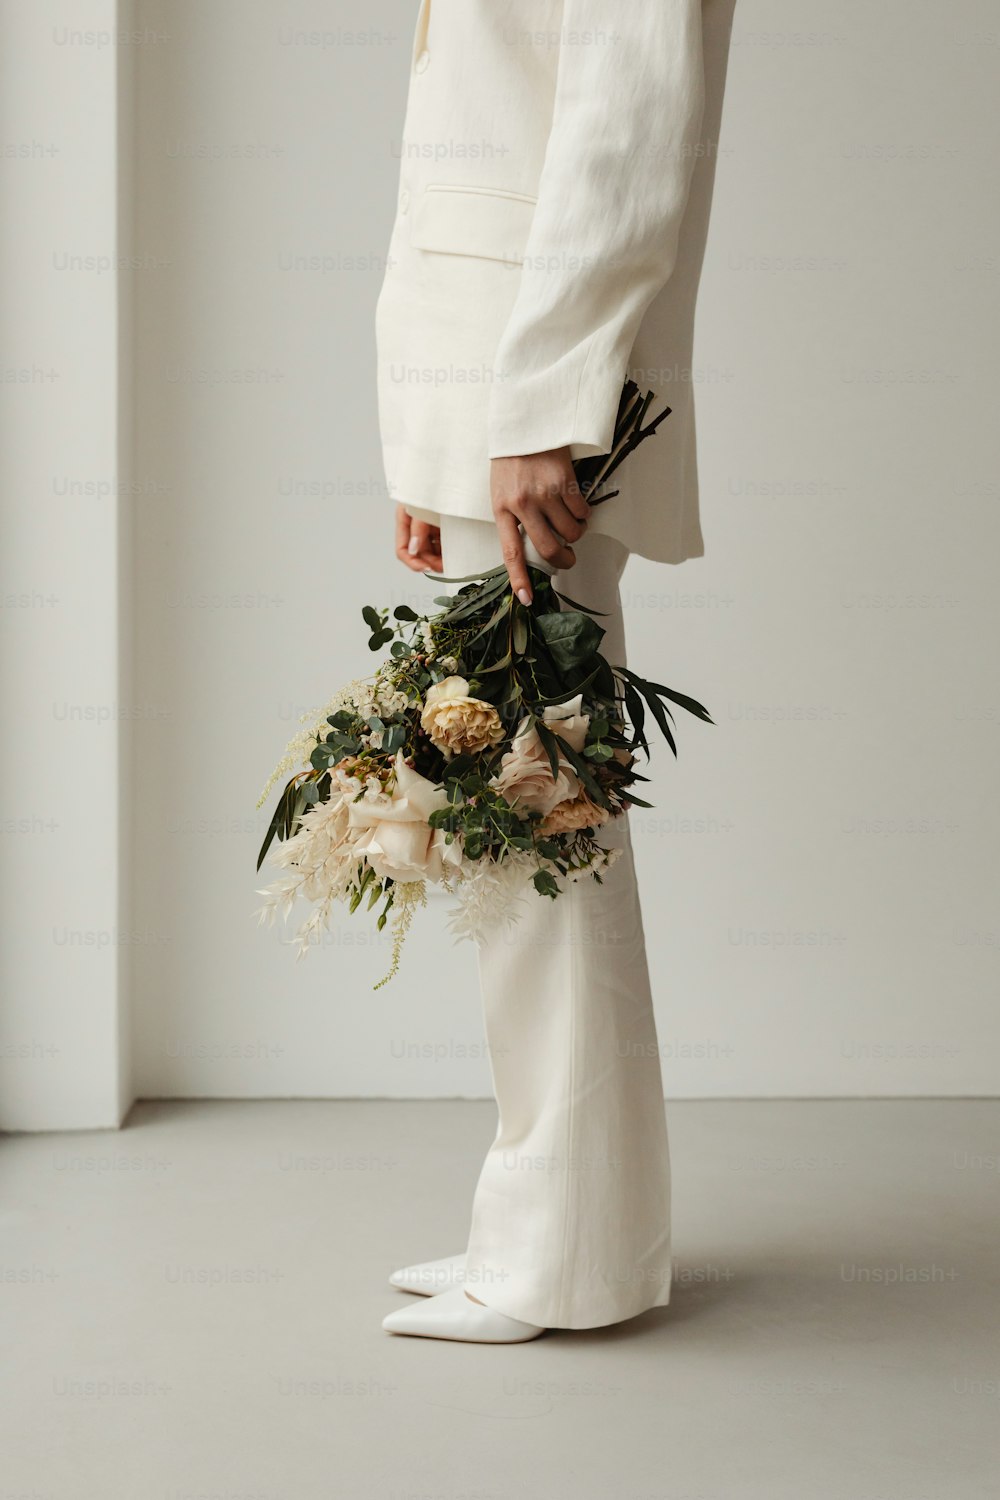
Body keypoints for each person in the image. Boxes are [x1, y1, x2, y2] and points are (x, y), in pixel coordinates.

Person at [376, 0, 736, 1343]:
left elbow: (627, 136)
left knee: (541, 823)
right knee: (526, 825)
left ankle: (557, 1258)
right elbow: (471, 132)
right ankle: (558, 1230)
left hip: (539, 406)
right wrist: (434, 430)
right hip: (491, 402)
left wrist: (534, 410)